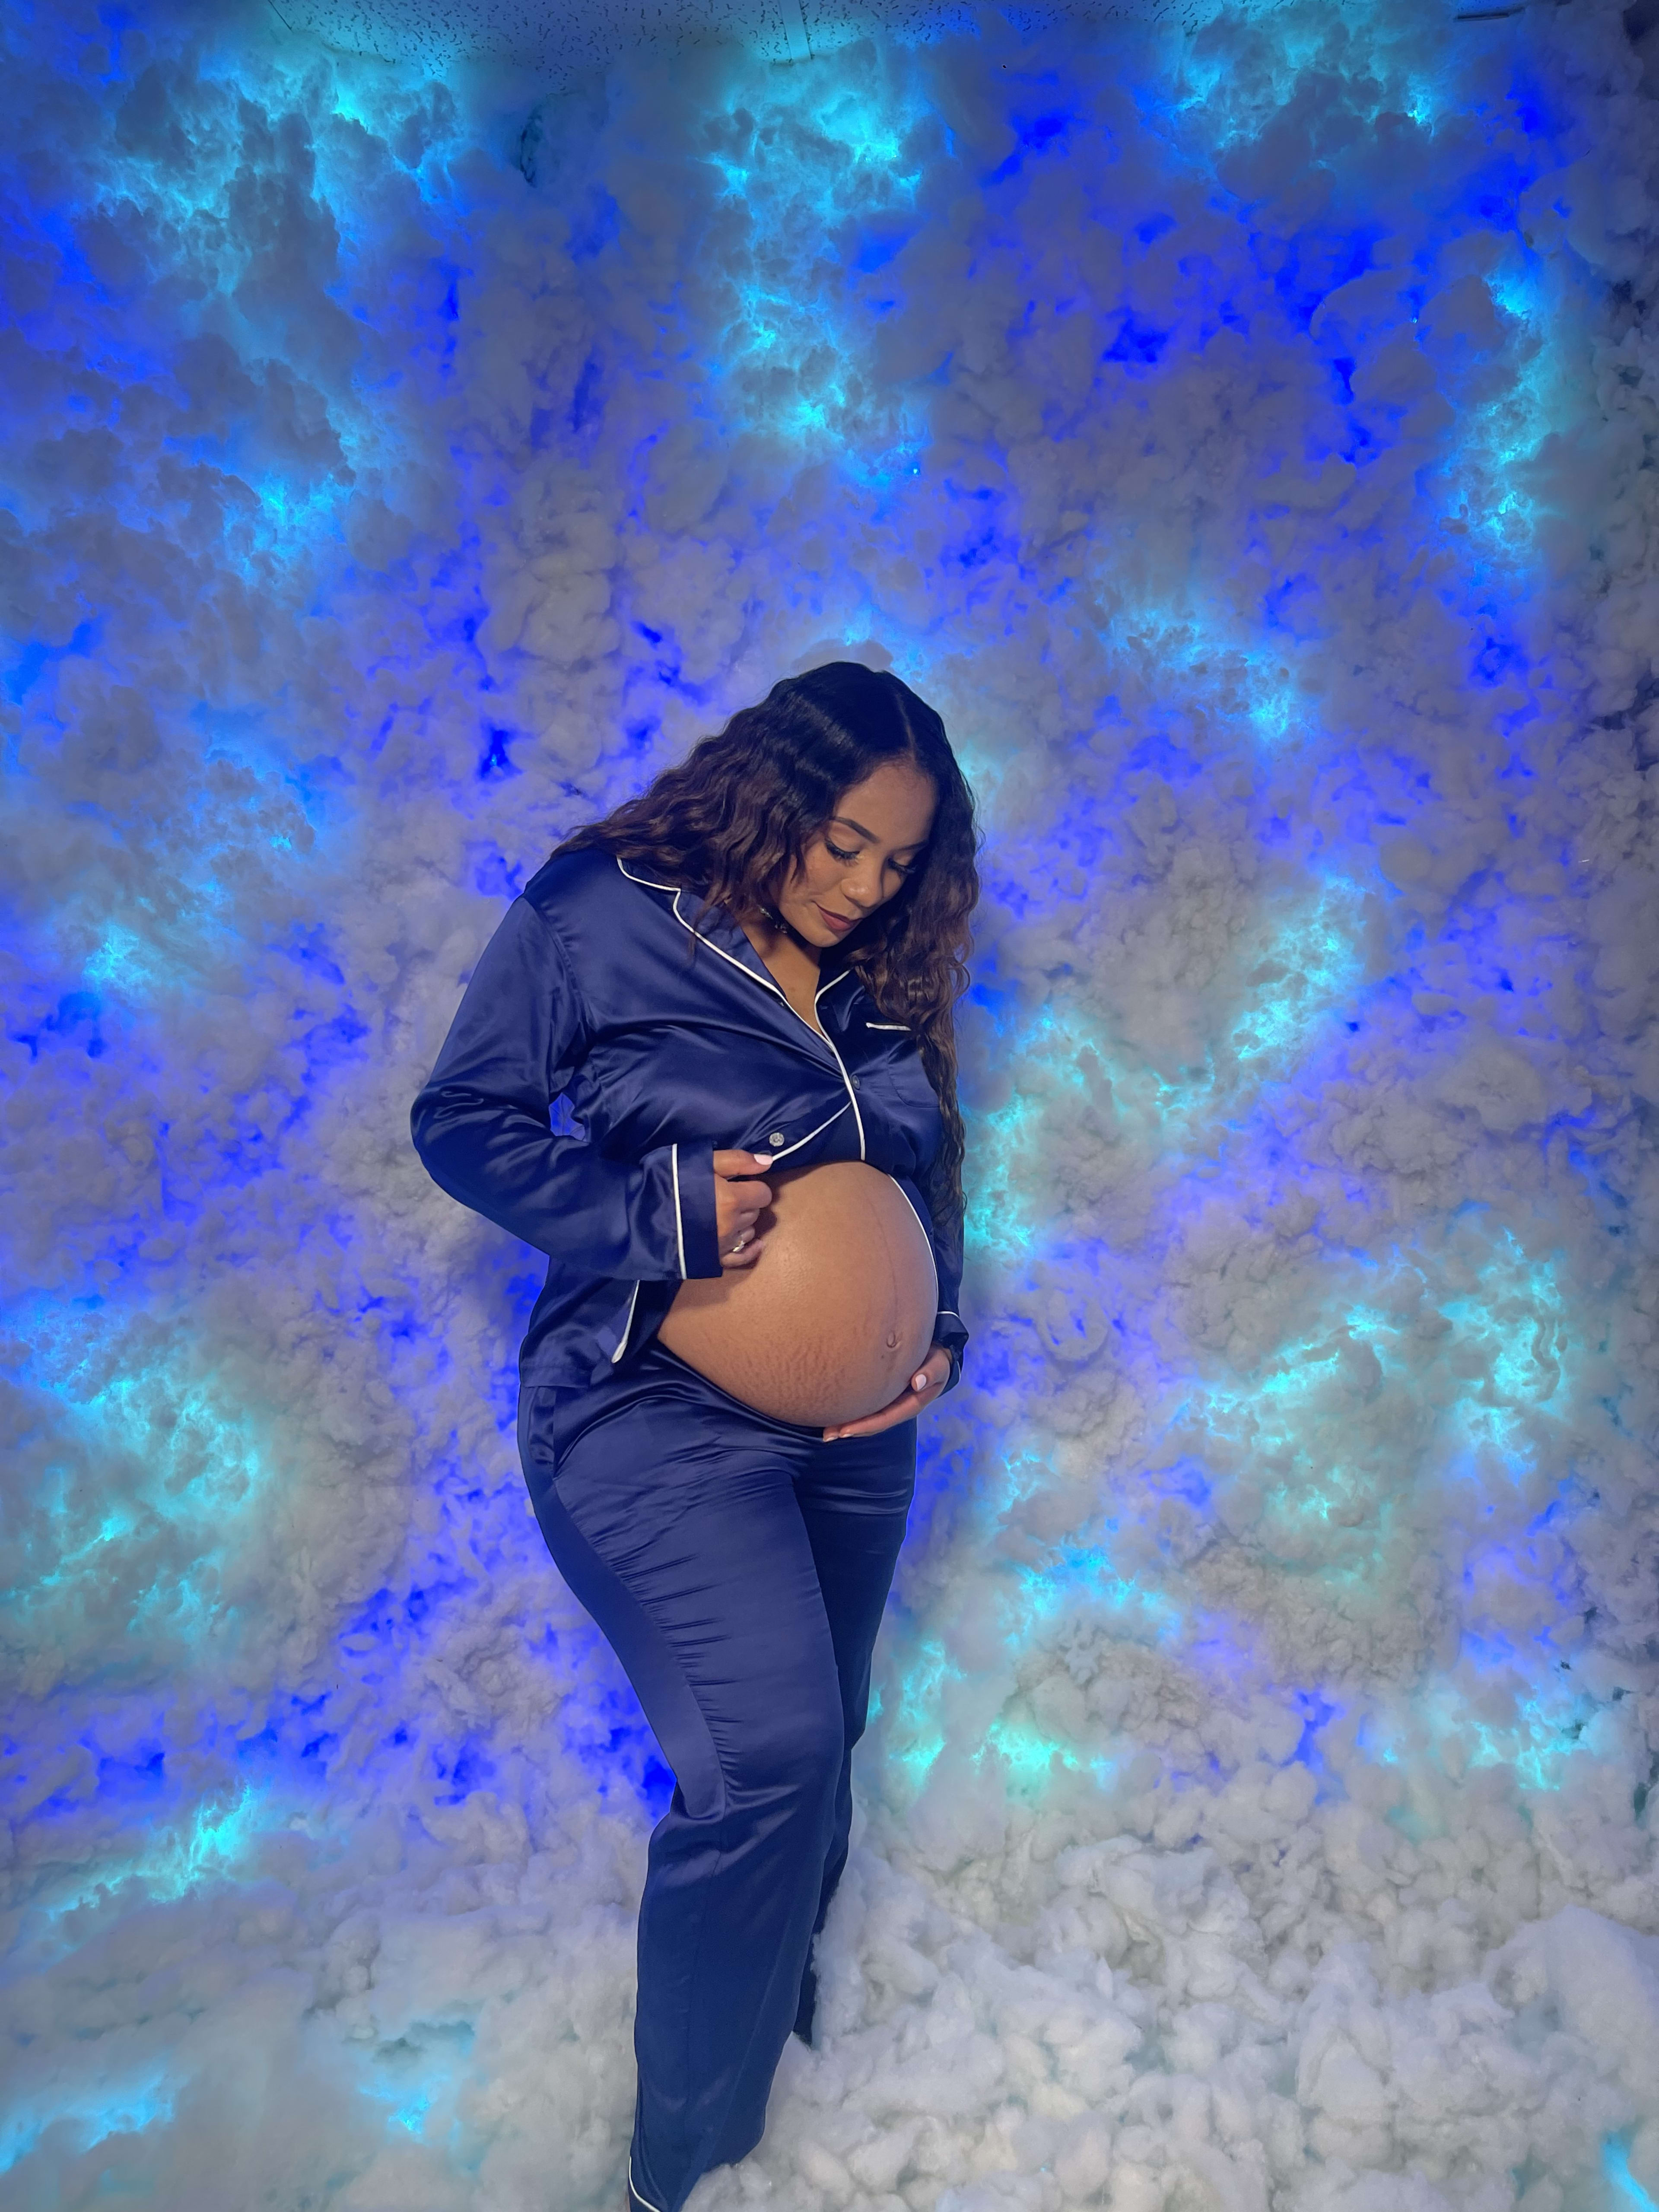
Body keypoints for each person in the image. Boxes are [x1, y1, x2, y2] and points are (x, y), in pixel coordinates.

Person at [410, 661, 979, 2212]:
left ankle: (785, 2073)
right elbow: (464, 1118)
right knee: (771, 1753)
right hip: (654, 1406)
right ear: (774, 790)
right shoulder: (605, 908)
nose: (865, 885)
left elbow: (927, 1168)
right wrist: (645, 1208)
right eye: (842, 840)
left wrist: (933, 1326)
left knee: (829, 1738)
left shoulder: (889, 977)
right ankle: (689, 2173)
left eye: (899, 860)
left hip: (861, 1433)